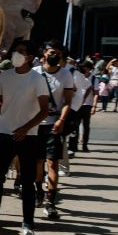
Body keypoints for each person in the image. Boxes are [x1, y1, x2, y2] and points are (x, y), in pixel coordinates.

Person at [0, 39, 48, 235]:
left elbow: (44, 110)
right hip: (5, 133)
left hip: (29, 136)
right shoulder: (5, 76)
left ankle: (28, 226)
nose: (16, 54)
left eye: (21, 51)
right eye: (15, 51)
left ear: (30, 57)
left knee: (27, 182)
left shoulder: (37, 79)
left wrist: (26, 128)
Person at [32, 41, 74, 220]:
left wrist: (61, 120)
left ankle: (51, 200)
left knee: (52, 162)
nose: (54, 55)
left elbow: (67, 102)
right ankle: (38, 191)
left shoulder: (65, 75)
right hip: (35, 124)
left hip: (54, 124)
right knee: (37, 162)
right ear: (44, 54)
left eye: (57, 52)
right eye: (51, 52)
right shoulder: (34, 73)